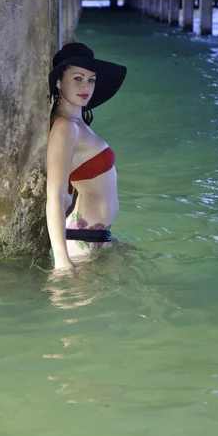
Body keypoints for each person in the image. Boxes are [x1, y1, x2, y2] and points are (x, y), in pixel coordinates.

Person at [46, 42, 127, 272]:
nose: (86, 86)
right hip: (82, 241)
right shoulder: (65, 127)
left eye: (91, 79)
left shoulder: (77, 124)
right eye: (77, 78)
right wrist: (62, 263)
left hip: (96, 237)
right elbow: (54, 195)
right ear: (59, 83)